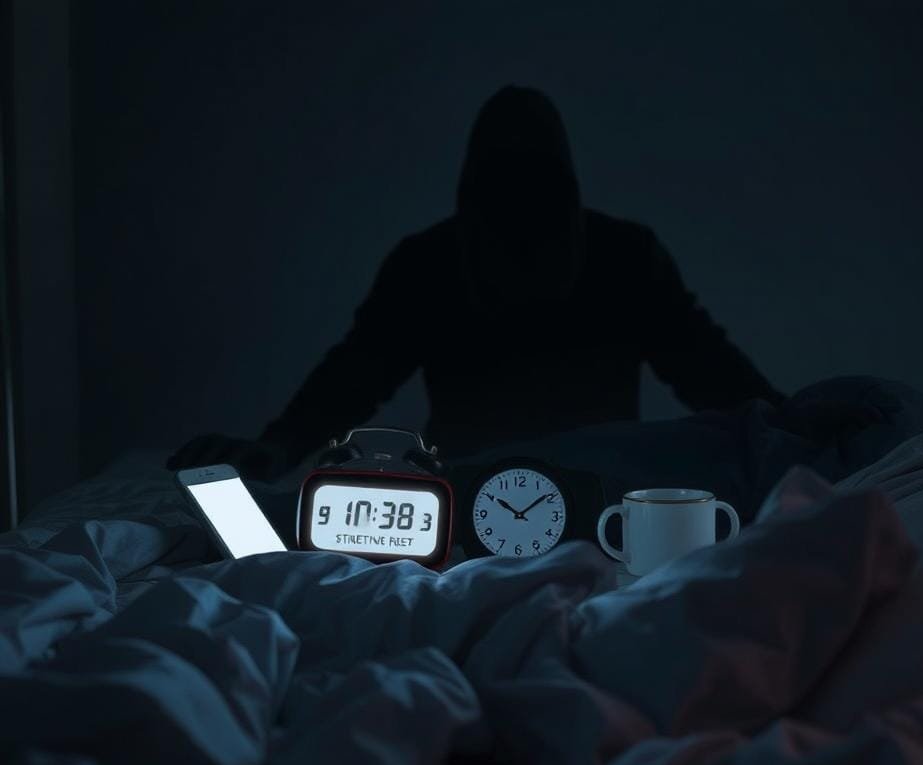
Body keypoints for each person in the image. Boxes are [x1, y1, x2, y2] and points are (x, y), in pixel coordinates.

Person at [168, 85, 784, 479]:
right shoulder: (431, 263)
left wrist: (791, 425)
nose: (521, 214)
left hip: (571, 481)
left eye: (534, 187)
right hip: (491, 483)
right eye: (505, 188)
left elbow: (708, 368)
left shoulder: (624, 255)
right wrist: (279, 446)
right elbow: (354, 375)